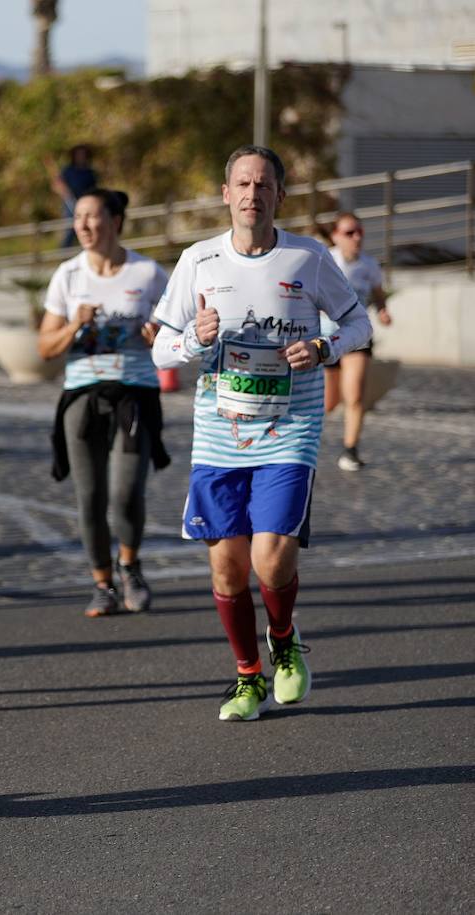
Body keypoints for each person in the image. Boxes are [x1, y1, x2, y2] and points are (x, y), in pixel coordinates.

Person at [152, 145, 372, 722]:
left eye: (264, 185)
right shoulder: (198, 260)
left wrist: (325, 347)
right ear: (226, 194)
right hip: (219, 433)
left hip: (291, 425)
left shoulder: (308, 257)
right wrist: (195, 341)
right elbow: (161, 343)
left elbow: (358, 323)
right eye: (242, 184)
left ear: (280, 195)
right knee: (227, 565)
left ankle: (284, 637)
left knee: (271, 560)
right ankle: (247, 678)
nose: (252, 194)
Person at [40, 188, 171, 617]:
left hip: (133, 394)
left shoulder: (148, 273)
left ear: (116, 221)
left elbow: (177, 334)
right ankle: (102, 583)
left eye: (92, 216)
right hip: (81, 395)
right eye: (78, 217)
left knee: (126, 491)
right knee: (90, 495)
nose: (83, 225)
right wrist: (74, 327)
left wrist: (160, 337)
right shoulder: (69, 275)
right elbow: (46, 347)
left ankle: (129, 565)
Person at [321, 212, 388, 471]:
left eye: (359, 231)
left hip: (357, 335)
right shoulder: (325, 260)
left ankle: (350, 450)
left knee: (355, 395)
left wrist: (383, 310)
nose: (356, 237)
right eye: (349, 232)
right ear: (335, 236)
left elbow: (378, 294)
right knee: (329, 401)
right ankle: (300, 440)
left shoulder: (369, 265)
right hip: (326, 338)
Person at [46, 145, 99, 249]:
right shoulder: (68, 171)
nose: (81, 157)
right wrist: (63, 191)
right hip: (70, 206)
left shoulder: (89, 172)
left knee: (87, 229)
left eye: (83, 155)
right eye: (79, 155)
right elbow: (57, 185)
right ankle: (64, 255)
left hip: (86, 206)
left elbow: (94, 190)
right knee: (70, 231)